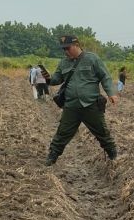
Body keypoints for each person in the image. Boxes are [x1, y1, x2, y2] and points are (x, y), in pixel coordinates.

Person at [45, 35, 118, 166]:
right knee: (62, 133)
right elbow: (56, 79)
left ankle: (113, 155)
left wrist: (111, 93)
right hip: (71, 106)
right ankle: (51, 157)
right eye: (63, 49)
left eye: (68, 48)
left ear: (76, 45)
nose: (66, 51)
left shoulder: (92, 59)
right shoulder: (63, 63)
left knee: (102, 132)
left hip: (91, 104)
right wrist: (47, 78)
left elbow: (105, 77)